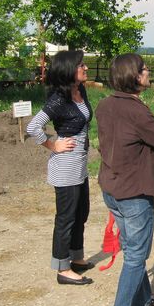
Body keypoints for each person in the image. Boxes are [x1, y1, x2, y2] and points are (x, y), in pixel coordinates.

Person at [96, 53, 154, 306]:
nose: (148, 73)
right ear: (134, 76)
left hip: (112, 188)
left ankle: (142, 299)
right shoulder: (136, 111)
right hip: (133, 194)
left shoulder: (105, 105)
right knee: (136, 255)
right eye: (144, 69)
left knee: (133, 248)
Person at [27, 49, 94, 286]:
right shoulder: (58, 99)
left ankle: (76, 257)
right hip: (66, 167)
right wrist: (52, 144)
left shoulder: (80, 90)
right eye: (81, 65)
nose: (85, 68)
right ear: (68, 70)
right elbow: (33, 127)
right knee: (66, 218)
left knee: (81, 212)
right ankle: (62, 269)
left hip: (80, 164)